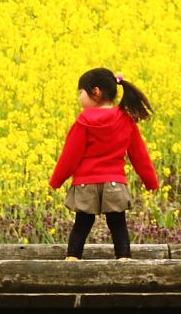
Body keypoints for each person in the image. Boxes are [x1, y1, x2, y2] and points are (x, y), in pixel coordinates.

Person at [49, 68, 159, 260]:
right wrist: (150, 181)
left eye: (80, 93)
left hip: (85, 183)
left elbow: (70, 155)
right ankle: (124, 258)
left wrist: (56, 181)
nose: (79, 98)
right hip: (115, 184)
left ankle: (72, 258)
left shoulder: (83, 121)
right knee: (117, 223)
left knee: (82, 222)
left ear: (96, 92)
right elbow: (138, 154)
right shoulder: (126, 119)